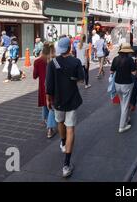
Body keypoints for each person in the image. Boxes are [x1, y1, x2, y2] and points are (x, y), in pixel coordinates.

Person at [46, 37, 84, 178]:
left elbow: (48, 85)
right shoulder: (76, 62)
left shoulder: (52, 63)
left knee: (60, 122)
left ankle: (62, 143)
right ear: (70, 48)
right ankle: (66, 165)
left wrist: (48, 98)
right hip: (72, 100)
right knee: (71, 129)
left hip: (57, 100)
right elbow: (81, 79)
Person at [110, 43, 137, 133]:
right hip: (127, 84)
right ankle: (122, 126)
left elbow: (111, 71)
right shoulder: (130, 60)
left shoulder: (115, 59)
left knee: (123, 103)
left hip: (117, 84)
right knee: (125, 105)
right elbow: (134, 73)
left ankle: (125, 119)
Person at [34, 42, 57, 139]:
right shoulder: (55, 61)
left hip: (43, 87)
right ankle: (50, 128)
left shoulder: (38, 61)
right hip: (53, 87)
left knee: (45, 103)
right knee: (51, 106)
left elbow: (35, 76)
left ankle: (46, 119)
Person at [129, 33, 137, 112]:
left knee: (134, 86)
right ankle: (128, 102)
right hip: (125, 69)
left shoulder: (136, 46)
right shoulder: (123, 46)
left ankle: (133, 103)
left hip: (133, 70)